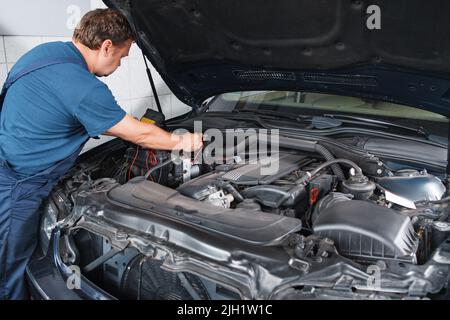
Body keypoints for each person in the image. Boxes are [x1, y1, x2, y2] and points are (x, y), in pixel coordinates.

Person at [0, 8, 203, 299]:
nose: (120, 64)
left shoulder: (47, 54)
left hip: (13, 165)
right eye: (121, 56)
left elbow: (60, 110)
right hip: (19, 185)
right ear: (106, 45)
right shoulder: (83, 88)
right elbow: (141, 135)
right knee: (10, 266)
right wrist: (185, 142)